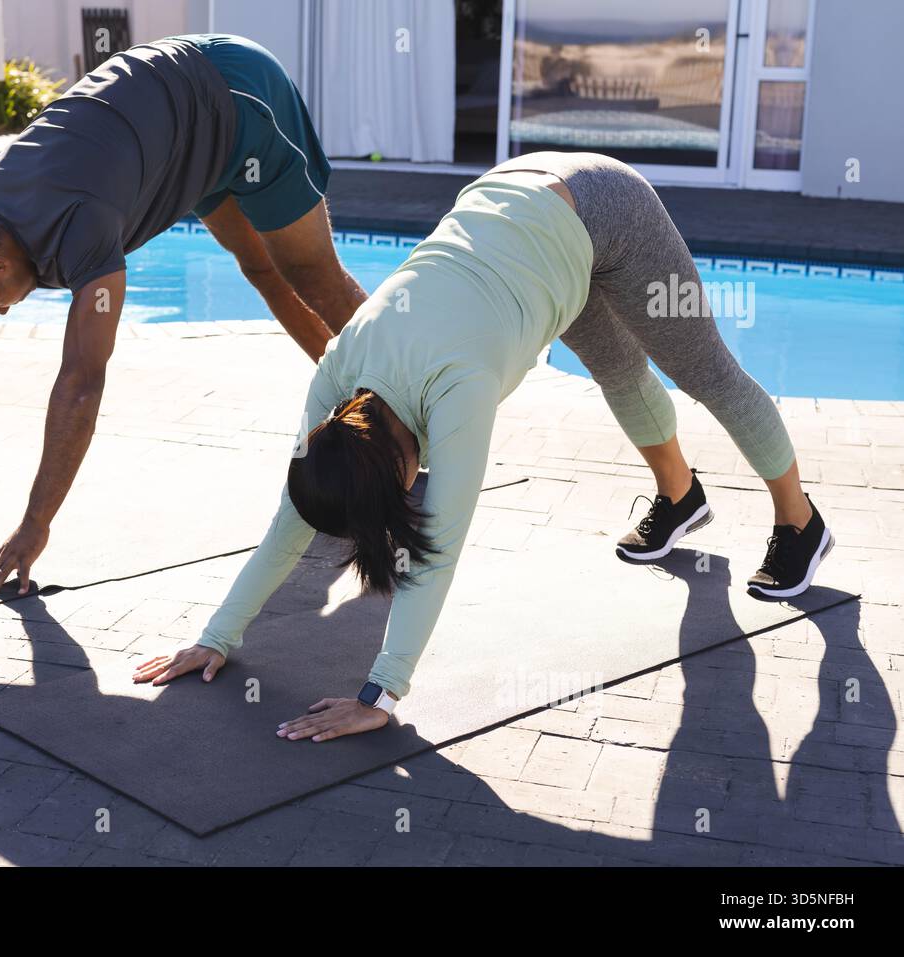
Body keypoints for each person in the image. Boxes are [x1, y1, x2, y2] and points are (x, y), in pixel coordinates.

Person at [132, 151, 835, 742]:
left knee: (704, 370)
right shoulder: (338, 377)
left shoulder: (455, 392)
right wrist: (216, 635)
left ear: (402, 474)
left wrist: (380, 695)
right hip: (518, 218)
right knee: (619, 373)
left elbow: (436, 550)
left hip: (603, 207)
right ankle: (681, 498)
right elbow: (291, 521)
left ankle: (801, 521)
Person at [0, 34, 367, 590]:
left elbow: (83, 380)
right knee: (259, 269)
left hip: (236, 95)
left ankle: (403, 401)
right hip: (184, 123)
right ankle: (354, 391)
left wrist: (33, 525)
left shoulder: (83, 225)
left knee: (309, 273)